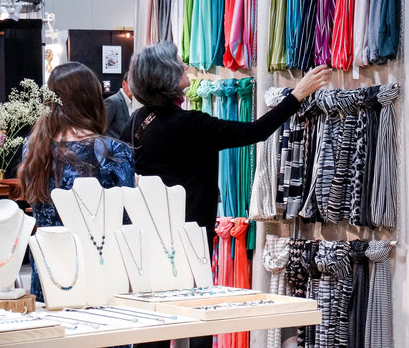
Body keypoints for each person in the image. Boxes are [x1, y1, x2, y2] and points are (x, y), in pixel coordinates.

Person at [120, 42, 331, 348]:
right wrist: (297, 95)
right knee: (197, 311)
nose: (184, 67)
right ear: (165, 76)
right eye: (178, 64)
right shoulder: (189, 125)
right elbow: (255, 132)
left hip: (152, 232)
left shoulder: (139, 120)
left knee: (157, 313)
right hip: (191, 231)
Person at [18, 62, 135, 302]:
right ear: (92, 100)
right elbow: (125, 221)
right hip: (102, 269)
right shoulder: (114, 151)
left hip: (49, 270)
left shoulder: (33, 150)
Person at [104, 72, 133, 138]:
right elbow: (101, 129)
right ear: (124, 84)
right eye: (133, 86)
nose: (136, 89)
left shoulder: (134, 102)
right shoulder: (112, 101)